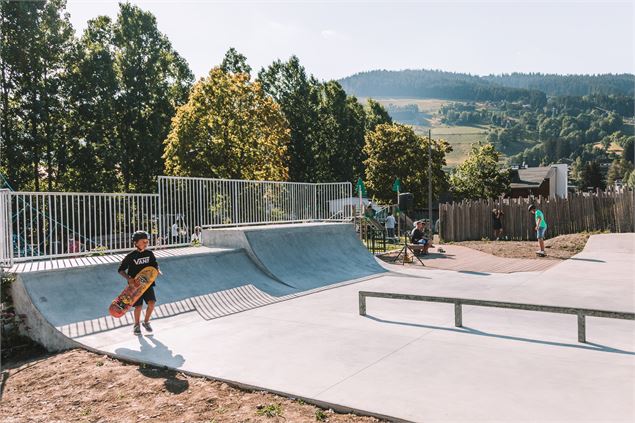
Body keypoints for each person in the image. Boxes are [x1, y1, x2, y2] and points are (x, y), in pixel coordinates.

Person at [118, 230, 160, 335]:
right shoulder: (131, 256)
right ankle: (136, 325)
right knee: (138, 306)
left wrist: (157, 270)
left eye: (147, 241)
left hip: (147, 284)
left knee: (152, 303)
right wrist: (129, 278)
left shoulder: (149, 253)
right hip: (135, 286)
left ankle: (146, 322)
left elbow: (155, 265)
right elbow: (121, 270)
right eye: (143, 241)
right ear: (136, 242)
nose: (146, 243)